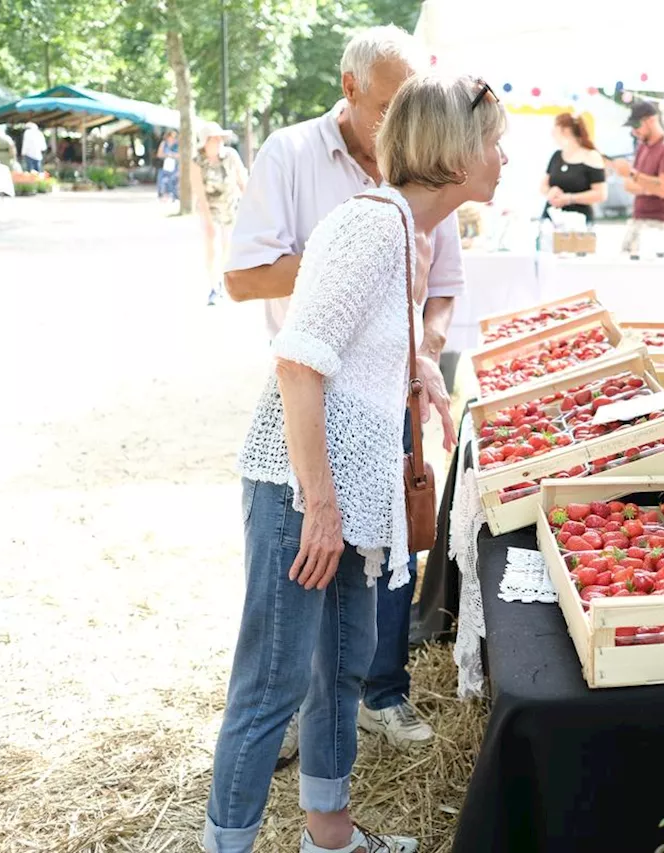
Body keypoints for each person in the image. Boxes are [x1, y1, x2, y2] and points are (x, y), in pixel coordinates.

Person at [204, 72, 507, 853]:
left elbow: (353, 344)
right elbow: (299, 362)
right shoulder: (373, 225)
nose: (503, 157)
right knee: (271, 685)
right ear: (456, 152)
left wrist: (418, 370)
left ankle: (330, 838)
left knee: (338, 671)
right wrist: (321, 504)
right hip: (303, 488)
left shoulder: (406, 227)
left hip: (346, 487)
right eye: (494, 141)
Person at [224, 25, 460, 762]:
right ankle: (293, 710)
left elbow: (445, 286)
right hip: (318, 395)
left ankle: (380, 690)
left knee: (387, 553)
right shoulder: (290, 154)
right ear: (350, 88)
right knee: (305, 560)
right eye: (391, 105)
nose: (403, 123)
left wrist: (425, 349)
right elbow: (242, 277)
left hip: (394, 390)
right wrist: (355, 259)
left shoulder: (428, 160)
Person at [607, 100, 664, 254]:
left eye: (636, 126)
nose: (634, 132)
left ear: (651, 120)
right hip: (639, 220)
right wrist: (649, 185)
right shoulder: (643, 147)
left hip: (659, 225)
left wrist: (632, 175)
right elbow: (628, 186)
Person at [193, 122, 248, 305]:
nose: (218, 141)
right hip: (209, 209)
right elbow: (199, 194)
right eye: (213, 139)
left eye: (219, 138)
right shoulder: (198, 162)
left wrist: (251, 203)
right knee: (212, 247)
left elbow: (242, 179)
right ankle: (213, 286)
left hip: (230, 206)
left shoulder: (231, 156)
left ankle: (225, 282)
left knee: (227, 246)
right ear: (205, 142)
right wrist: (208, 222)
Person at [541, 112, 607, 223]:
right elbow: (543, 185)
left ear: (566, 131)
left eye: (555, 128)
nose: (552, 133)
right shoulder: (557, 155)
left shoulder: (591, 156)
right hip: (552, 217)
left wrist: (569, 198)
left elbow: (601, 194)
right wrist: (550, 192)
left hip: (579, 220)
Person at [157, 130, 180, 202]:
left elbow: (181, 155)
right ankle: (163, 195)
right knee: (162, 180)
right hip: (165, 165)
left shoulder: (177, 144)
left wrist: (173, 155)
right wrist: (167, 155)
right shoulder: (164, 144)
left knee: (173, 180)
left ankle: (174, 196)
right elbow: (159, 154)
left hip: (175, 166)